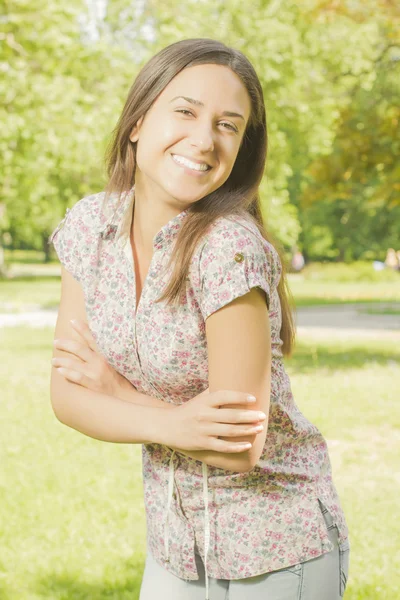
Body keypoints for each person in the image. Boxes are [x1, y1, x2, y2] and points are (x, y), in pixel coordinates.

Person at [49, 38, 350, 600]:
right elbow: (67, 397)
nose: (204, 139)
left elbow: (239, 447)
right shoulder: (89, 228)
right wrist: (175, 422)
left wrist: (119, 393)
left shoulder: (229, 249)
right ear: (138, 121)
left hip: (278, 546)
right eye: (185, 111)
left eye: (228, 125)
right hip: (175, 546)